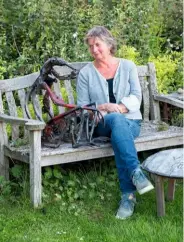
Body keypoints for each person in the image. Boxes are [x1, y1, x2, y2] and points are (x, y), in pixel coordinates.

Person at [76, 26, 154, 220]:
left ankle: (128, 196)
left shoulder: (128, 66)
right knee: (117, 124)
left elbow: (136, 97)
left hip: (130, 121)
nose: (94, 50)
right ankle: (136, 173)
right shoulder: (86, 73)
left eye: (98, 45)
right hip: (100, 124)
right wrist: (103, 108)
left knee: (120, 132)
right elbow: (83, 108)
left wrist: (118, 108)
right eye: (91, 46)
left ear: (109, 44)